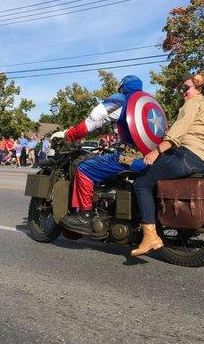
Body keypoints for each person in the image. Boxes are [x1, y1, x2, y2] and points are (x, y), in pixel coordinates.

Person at [132, 72, 204, 257]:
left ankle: (150, 237)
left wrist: (157, 151)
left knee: (142, 184)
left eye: (186, 88)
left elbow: (178, 131)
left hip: (188, 156)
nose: (183, 92)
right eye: (182, 89)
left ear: (198, 89)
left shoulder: (193, 103)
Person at [59, 75, 148, 234]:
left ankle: (85, 215)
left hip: (129, 157)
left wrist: (71, 135)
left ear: (122, 88)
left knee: (84, 169)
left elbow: (92, 121)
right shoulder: (148, 103)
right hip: (150, 158)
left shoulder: (121, 100)